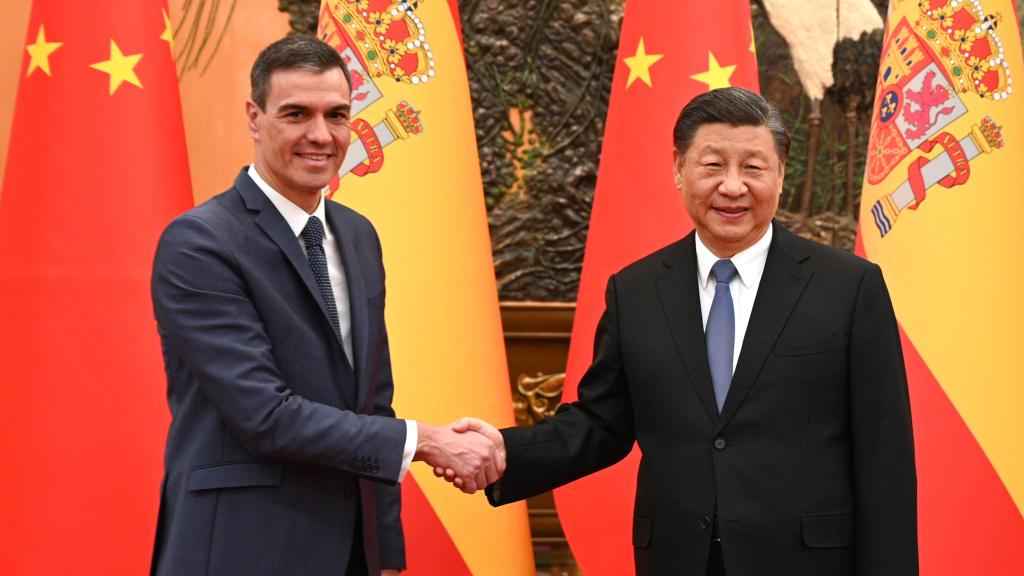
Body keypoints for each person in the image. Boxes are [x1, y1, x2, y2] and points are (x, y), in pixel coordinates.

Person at [453, 87, 918, 575]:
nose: (733, 186)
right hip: (678, 559)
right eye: (713, 165)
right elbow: (601, 424)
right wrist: (505, 451)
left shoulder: (847, 287)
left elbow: (883, 456)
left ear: (781, 174)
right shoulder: (636, 291)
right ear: (679, 168)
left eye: (753, 168)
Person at [149, 36, 501, 576]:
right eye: (296, 114)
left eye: (337, 115)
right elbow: (264, 415)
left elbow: (371, 401)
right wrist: (427, 441)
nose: (321, 135)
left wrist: (383, 553)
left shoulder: (358, 235)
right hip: (241, 550)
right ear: (254, 117)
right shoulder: (200, 243)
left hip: (348, 554)